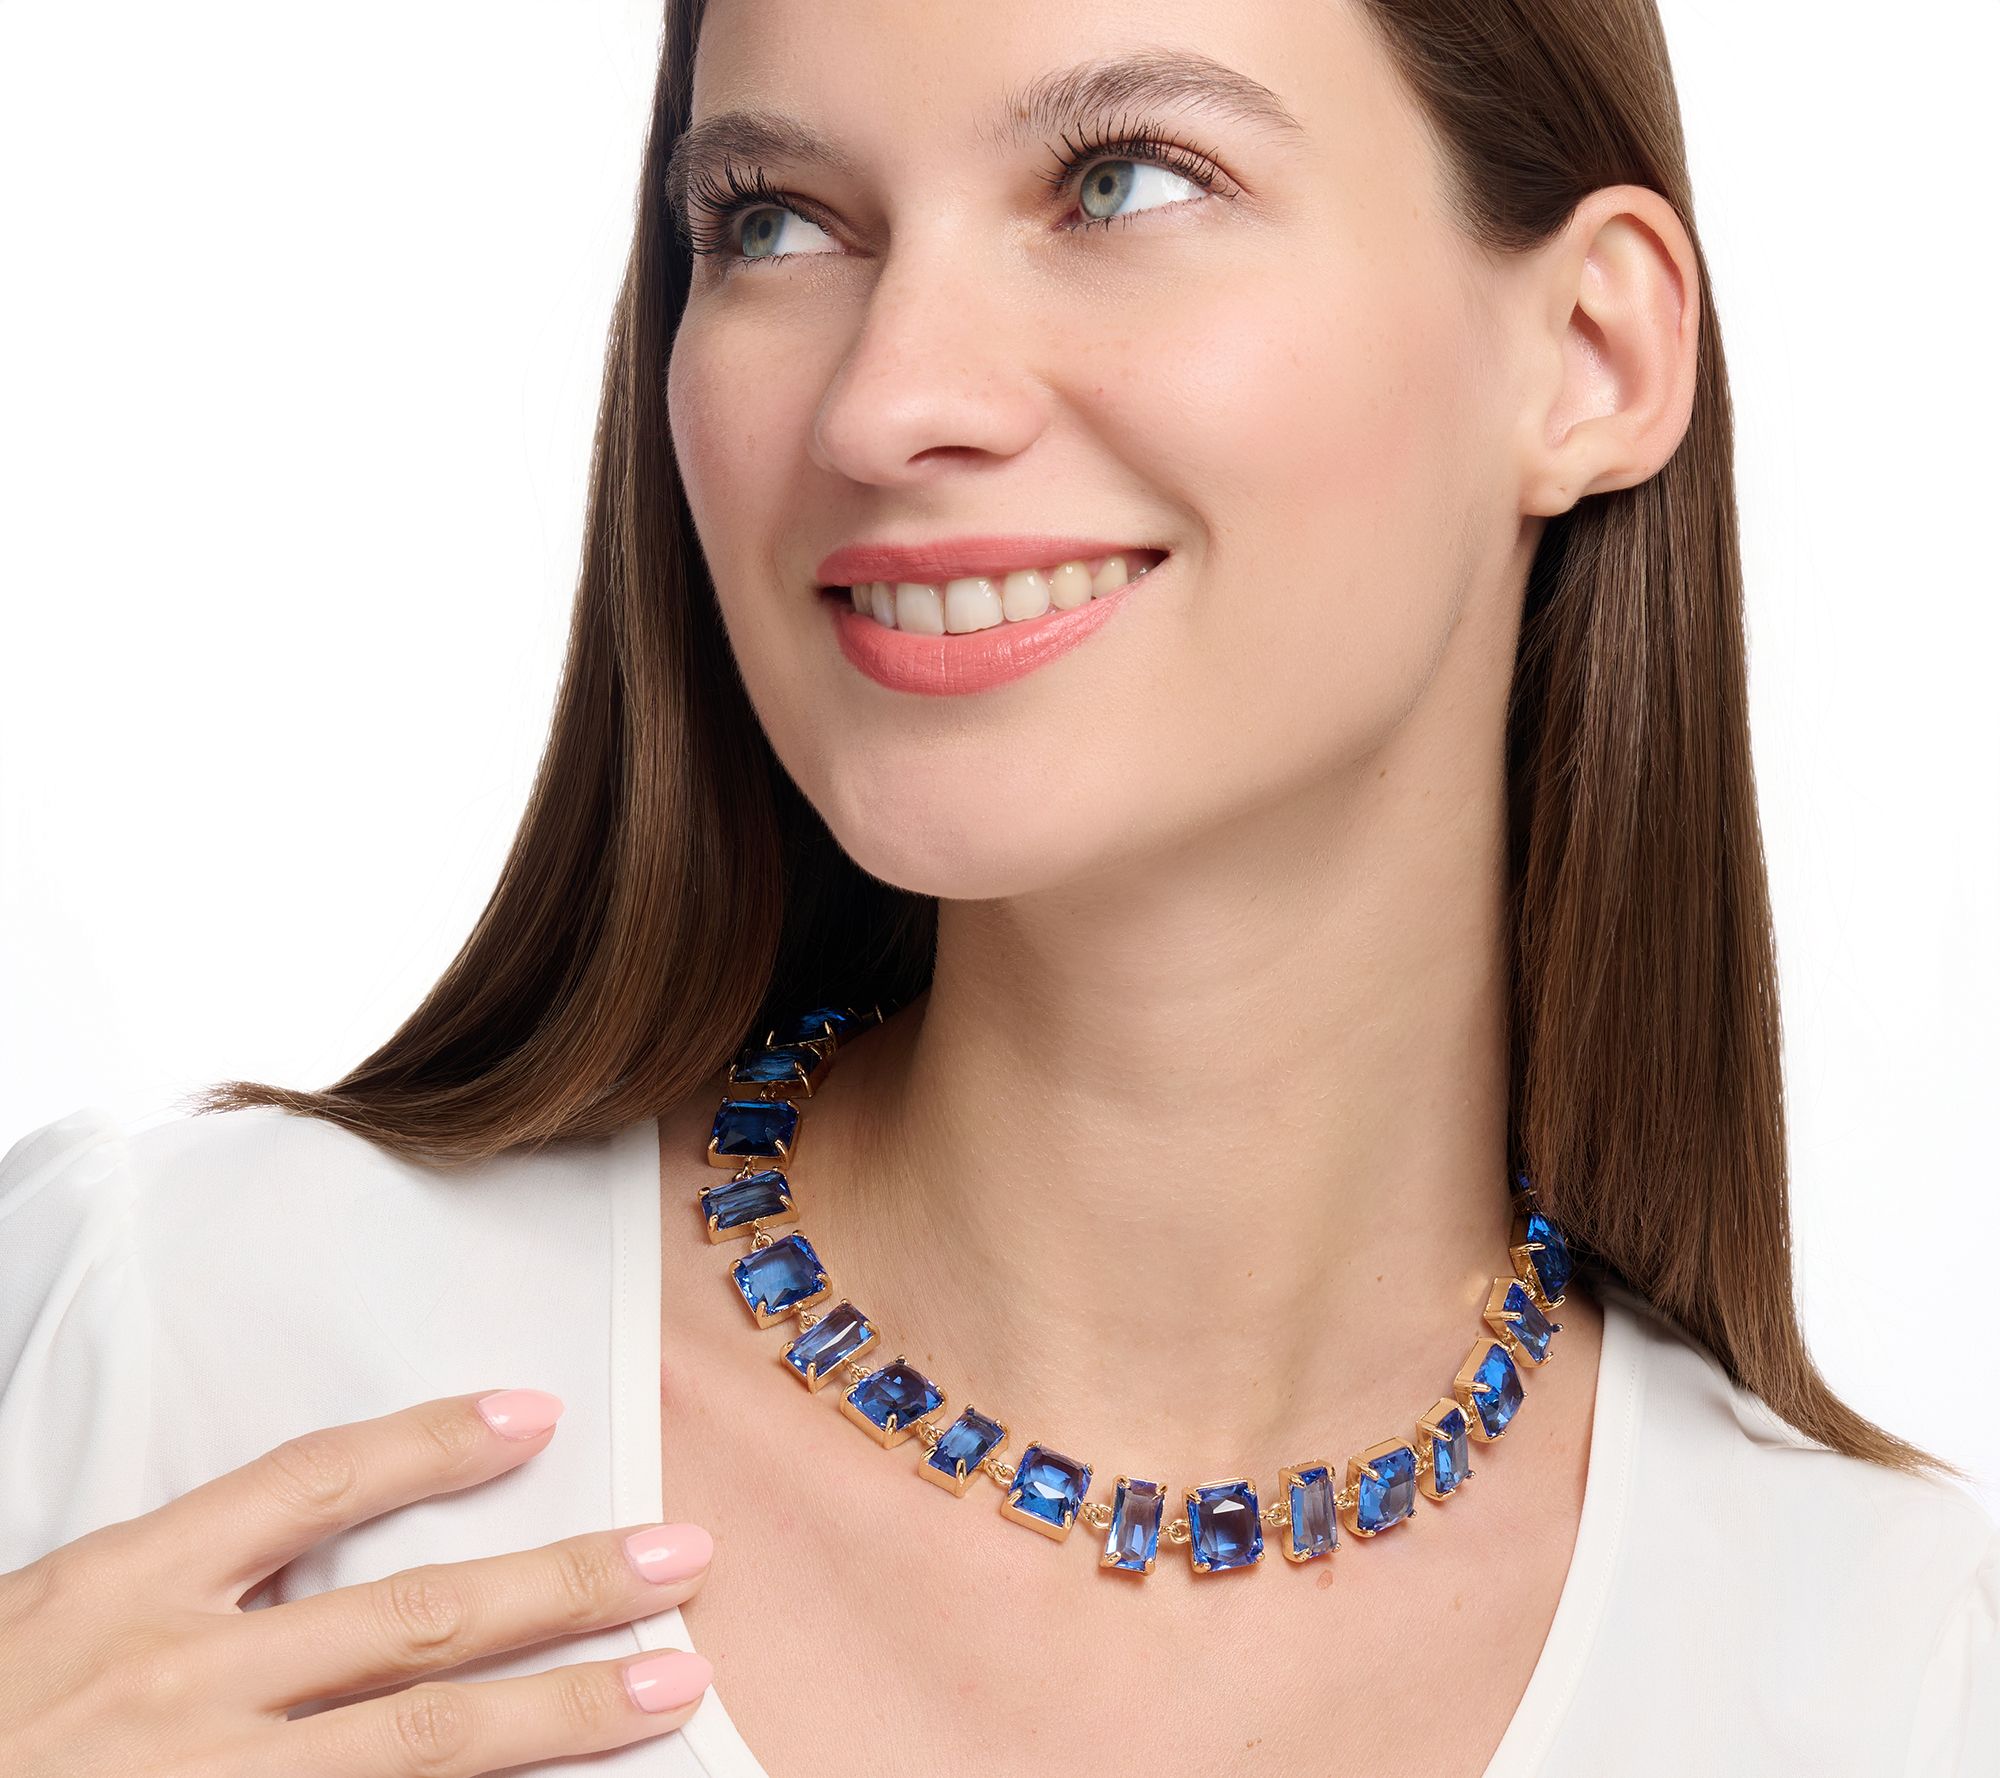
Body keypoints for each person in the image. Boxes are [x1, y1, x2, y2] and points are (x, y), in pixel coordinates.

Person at [3, 0, 1994, 1773]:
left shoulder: (1896, 1674)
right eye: (774, 221)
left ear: (1588, 352)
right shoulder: (189, 1349)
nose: (884, 401)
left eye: (1122, 180)